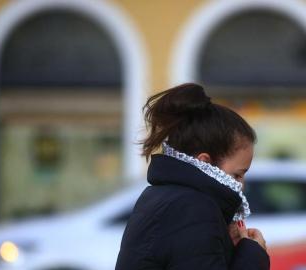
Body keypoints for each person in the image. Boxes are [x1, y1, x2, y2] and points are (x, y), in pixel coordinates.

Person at [115, 83, 270, 270]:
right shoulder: (194, 209)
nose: (241, 185)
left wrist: (223, 245)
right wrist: (253, 255)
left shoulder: (161, 197)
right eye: (237, 175)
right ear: (204, 161)